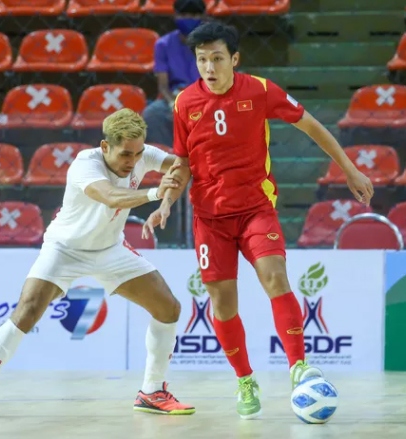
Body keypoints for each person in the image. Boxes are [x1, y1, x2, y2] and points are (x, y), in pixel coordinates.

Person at [142, 22, 374, 420]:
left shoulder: (261, 91)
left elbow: (312, 126)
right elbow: (182, 162)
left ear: (235, 59)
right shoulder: (183, 104)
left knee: (275, 276)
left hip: (255, 208)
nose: (209, 67)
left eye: (217, 58)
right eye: (202, 60)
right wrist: (165, 200)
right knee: (222, 300)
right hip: (210, 218)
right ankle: (245, 379)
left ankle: (298, 366)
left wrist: (350, 170)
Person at [0, 108, 195, 417]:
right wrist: (154, 192)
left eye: (138, 153)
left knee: (169, 308)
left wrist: (166, 203)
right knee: (27, 310)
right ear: (105, 146)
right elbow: (110, 196)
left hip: (110, 249)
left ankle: (152, 391)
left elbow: (184, 165)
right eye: (126, 154)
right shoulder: (85, 164)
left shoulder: (141, 154)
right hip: (64, 250)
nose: (133, 161)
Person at [142, 0, 205, 147]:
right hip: (175, 97)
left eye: (194, 15)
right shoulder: (163, 44)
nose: (189, 19)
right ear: (175, 16)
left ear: (203, 17)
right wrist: (172, 103)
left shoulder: (213, 43)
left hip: (206, 97)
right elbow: (163, 86)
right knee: (152, 114)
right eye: (184, 14)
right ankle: (168, 157)